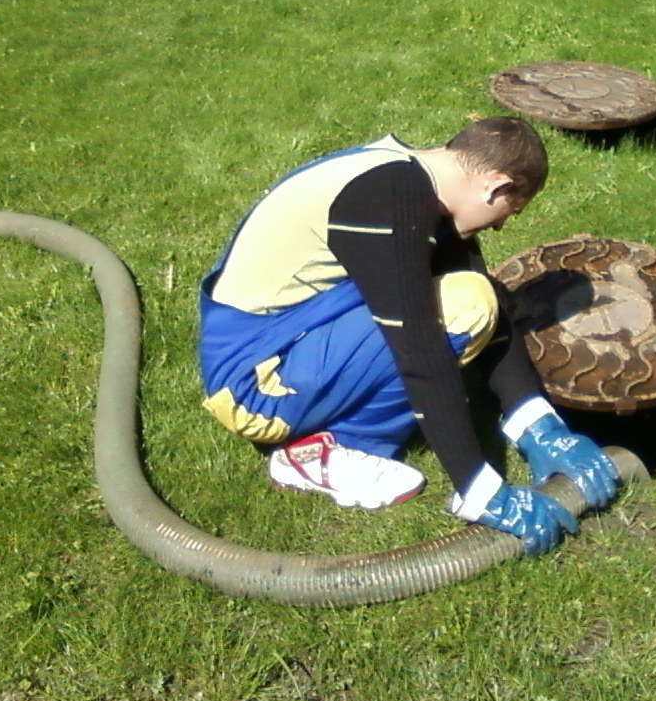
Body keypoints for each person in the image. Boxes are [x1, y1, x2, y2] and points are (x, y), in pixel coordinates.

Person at [197, 116, 619, 555]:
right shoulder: (390, 200)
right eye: (509, 213)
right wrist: (479, 489)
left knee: (474, 294)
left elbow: (487, 298)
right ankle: (327, 450)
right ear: (496, 186)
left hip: (289, 338)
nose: (499, 228)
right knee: (460, 307)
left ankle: (333, 428)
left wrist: (540, 427)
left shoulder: (410, 178)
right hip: (254, 384)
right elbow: (419, 351)